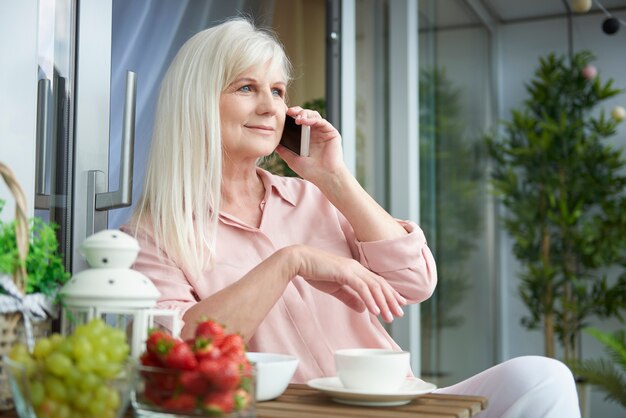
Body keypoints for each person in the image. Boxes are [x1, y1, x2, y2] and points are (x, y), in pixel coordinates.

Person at [122, 17, 581, 418]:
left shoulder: (311, 198)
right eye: (247, 88)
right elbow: (179, 348)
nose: (269, 107)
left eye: (278, 91)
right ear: (197, 102)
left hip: (396, 405)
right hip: (292, 416)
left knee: (542, 378)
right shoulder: (153, 236)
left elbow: (416, 282)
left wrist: (334, 176)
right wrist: (291, 261)